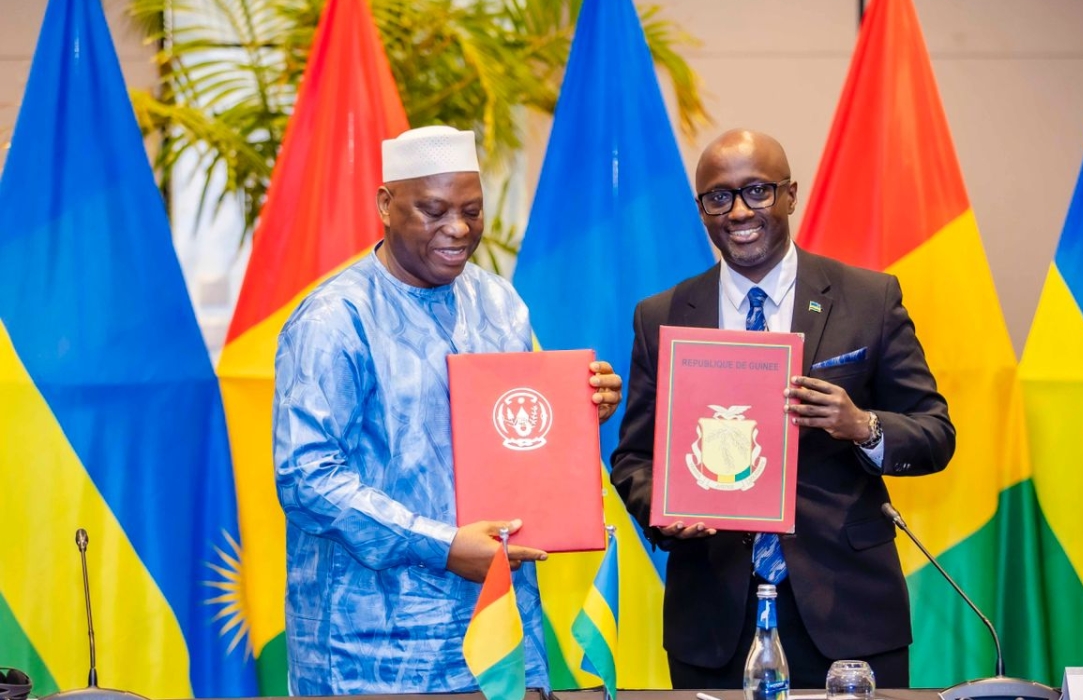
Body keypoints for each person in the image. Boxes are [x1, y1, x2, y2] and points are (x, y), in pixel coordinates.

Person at [273, 125, 623, 695]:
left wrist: (579, 410)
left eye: (472, 211)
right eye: (433, 211)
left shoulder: (498, 302)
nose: (458, 230)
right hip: (373, 651)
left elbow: (517, 432)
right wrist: (440, 544)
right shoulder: (335, 319)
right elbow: (306, 479)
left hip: (500, 632)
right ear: (386, 205)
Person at [610, 129, 954, 689]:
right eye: (719, 197)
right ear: (701, 210)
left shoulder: (869, 298)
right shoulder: (663, 316)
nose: (740, 211)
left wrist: (862, 426)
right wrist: (663, 512)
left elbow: (935, 433)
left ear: (791, 194)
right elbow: (633, 459)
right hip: (715, 614)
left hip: (849, 610)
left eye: (758, 191)